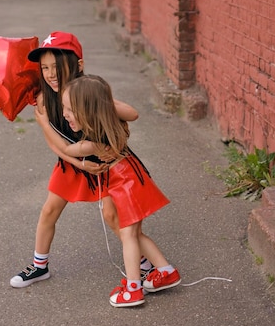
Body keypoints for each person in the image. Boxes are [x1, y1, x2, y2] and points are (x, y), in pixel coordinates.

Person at [10, 32, 154, 288]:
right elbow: (55, 143)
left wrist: (102, 106)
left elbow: (132, 113)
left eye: (57, 66)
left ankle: (145, 267)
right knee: (49, 210)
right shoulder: (42, 101)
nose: (50, 74)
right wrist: (80, 164)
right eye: (44, 68)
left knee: (112, 215)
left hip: (107, 163)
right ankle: (39, 266)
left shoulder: (89, 91)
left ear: (78, 65)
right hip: (72, 161)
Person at [40, 74, 181, 307]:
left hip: (125, 184)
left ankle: (133, 288)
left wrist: (45, 122)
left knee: (128, 236)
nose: (64, 114)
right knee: (134, 234)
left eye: (69, 110)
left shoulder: (91, 143)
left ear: (88, 111)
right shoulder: (111, 124)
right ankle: (166, 271)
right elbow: (124, 113)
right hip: (129, 179)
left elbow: (65, 148)